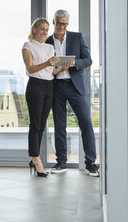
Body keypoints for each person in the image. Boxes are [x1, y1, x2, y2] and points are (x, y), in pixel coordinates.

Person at [46, 9, 99, 177]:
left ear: (68, 24)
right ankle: (61, 162)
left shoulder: (77, 37)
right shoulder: (47, 42)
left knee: (86, 123)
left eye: (65, 23)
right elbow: (45, 65)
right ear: (53, 22)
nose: (62, 26)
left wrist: (74, 63)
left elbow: (89, 60)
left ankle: (90, 163)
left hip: (76, 86)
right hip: (56, 87)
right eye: (59, 23)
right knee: (59, 125)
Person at [22, 18, 61, 177]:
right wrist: (47, 63)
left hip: (49, 86)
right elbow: (31, 69)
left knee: (42, 125)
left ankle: (34, 156)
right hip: (35, 86)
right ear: (34, 29)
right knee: (35, 124)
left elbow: (51, 72)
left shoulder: (50, 47)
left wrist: (61, 67)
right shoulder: (28, 46)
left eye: (47, 29)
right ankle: (36, 158)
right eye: (42, 29)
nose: (45, 32)